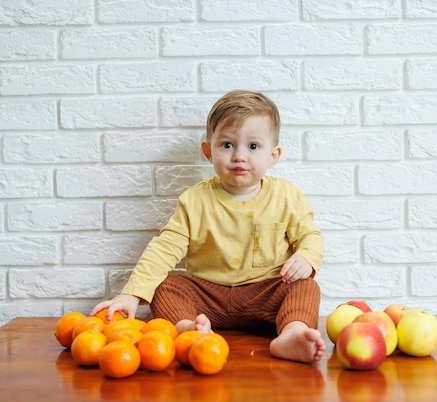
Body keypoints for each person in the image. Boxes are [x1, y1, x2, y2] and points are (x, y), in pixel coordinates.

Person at [91, 90, 326, 363]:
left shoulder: (287, 195)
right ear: (208, 150)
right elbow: (165, 248)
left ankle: (291, 334)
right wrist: (131, 294)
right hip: (208, 297)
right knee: (165, 286)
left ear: (273, 155)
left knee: (306, 286)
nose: (239, 156)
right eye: (227, 145)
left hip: (264, 295)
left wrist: (306, 258)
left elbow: (310, 235)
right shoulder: (195, 199)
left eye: (253, 146)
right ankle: (189, 330)